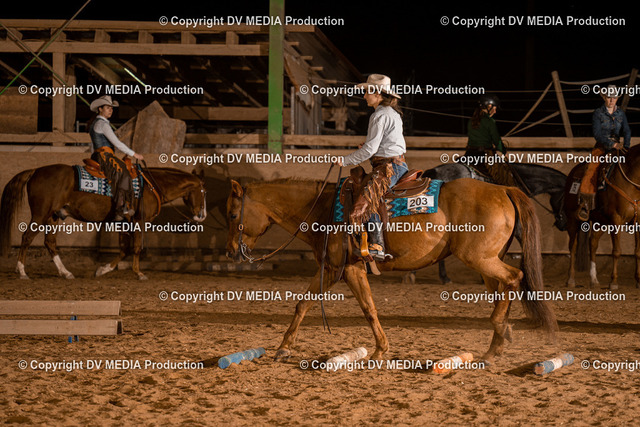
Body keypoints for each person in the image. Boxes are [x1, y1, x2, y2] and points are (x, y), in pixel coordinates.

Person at [336, 74, 408, 260]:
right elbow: (383, 144)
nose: (364, 96)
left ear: (378, 94)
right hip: (396, 164)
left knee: (368, 197)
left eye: (367, 92)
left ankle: (377, 245)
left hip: (388, 167)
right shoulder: (393, 114)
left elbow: (370, 150)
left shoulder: (379, 115)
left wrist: (345, 160)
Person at [577, 85, 631, 221]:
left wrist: (626, 145)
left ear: (617, 98)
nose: (611, 100)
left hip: (618, 147)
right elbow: (597, 134)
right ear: (604, 98)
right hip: (602, 146)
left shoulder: (621, 114)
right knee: (592, 169)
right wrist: (611, 144)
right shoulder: (598, 113)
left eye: (614, 97)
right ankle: (585, 205)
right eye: (609, 97)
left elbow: (627, 130)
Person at [88, 95, 144, 221]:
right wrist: (134, 154)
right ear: (100, 109)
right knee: (124, 172)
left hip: (98, 155)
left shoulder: (94, 124)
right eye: (108, 108)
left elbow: (93, 145)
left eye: (111, 108)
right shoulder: (103, 124)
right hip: (105, 156)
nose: (111, 110)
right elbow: (117, 143)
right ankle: (121, 207)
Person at [463, 94, 517, 185]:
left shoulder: (470, 121)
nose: (495, 112)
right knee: (504, 176)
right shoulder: (490, 121)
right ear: (489, 106)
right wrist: (503, 151)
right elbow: (497, 140)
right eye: (494, 109)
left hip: (469, 153)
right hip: (485, 154)